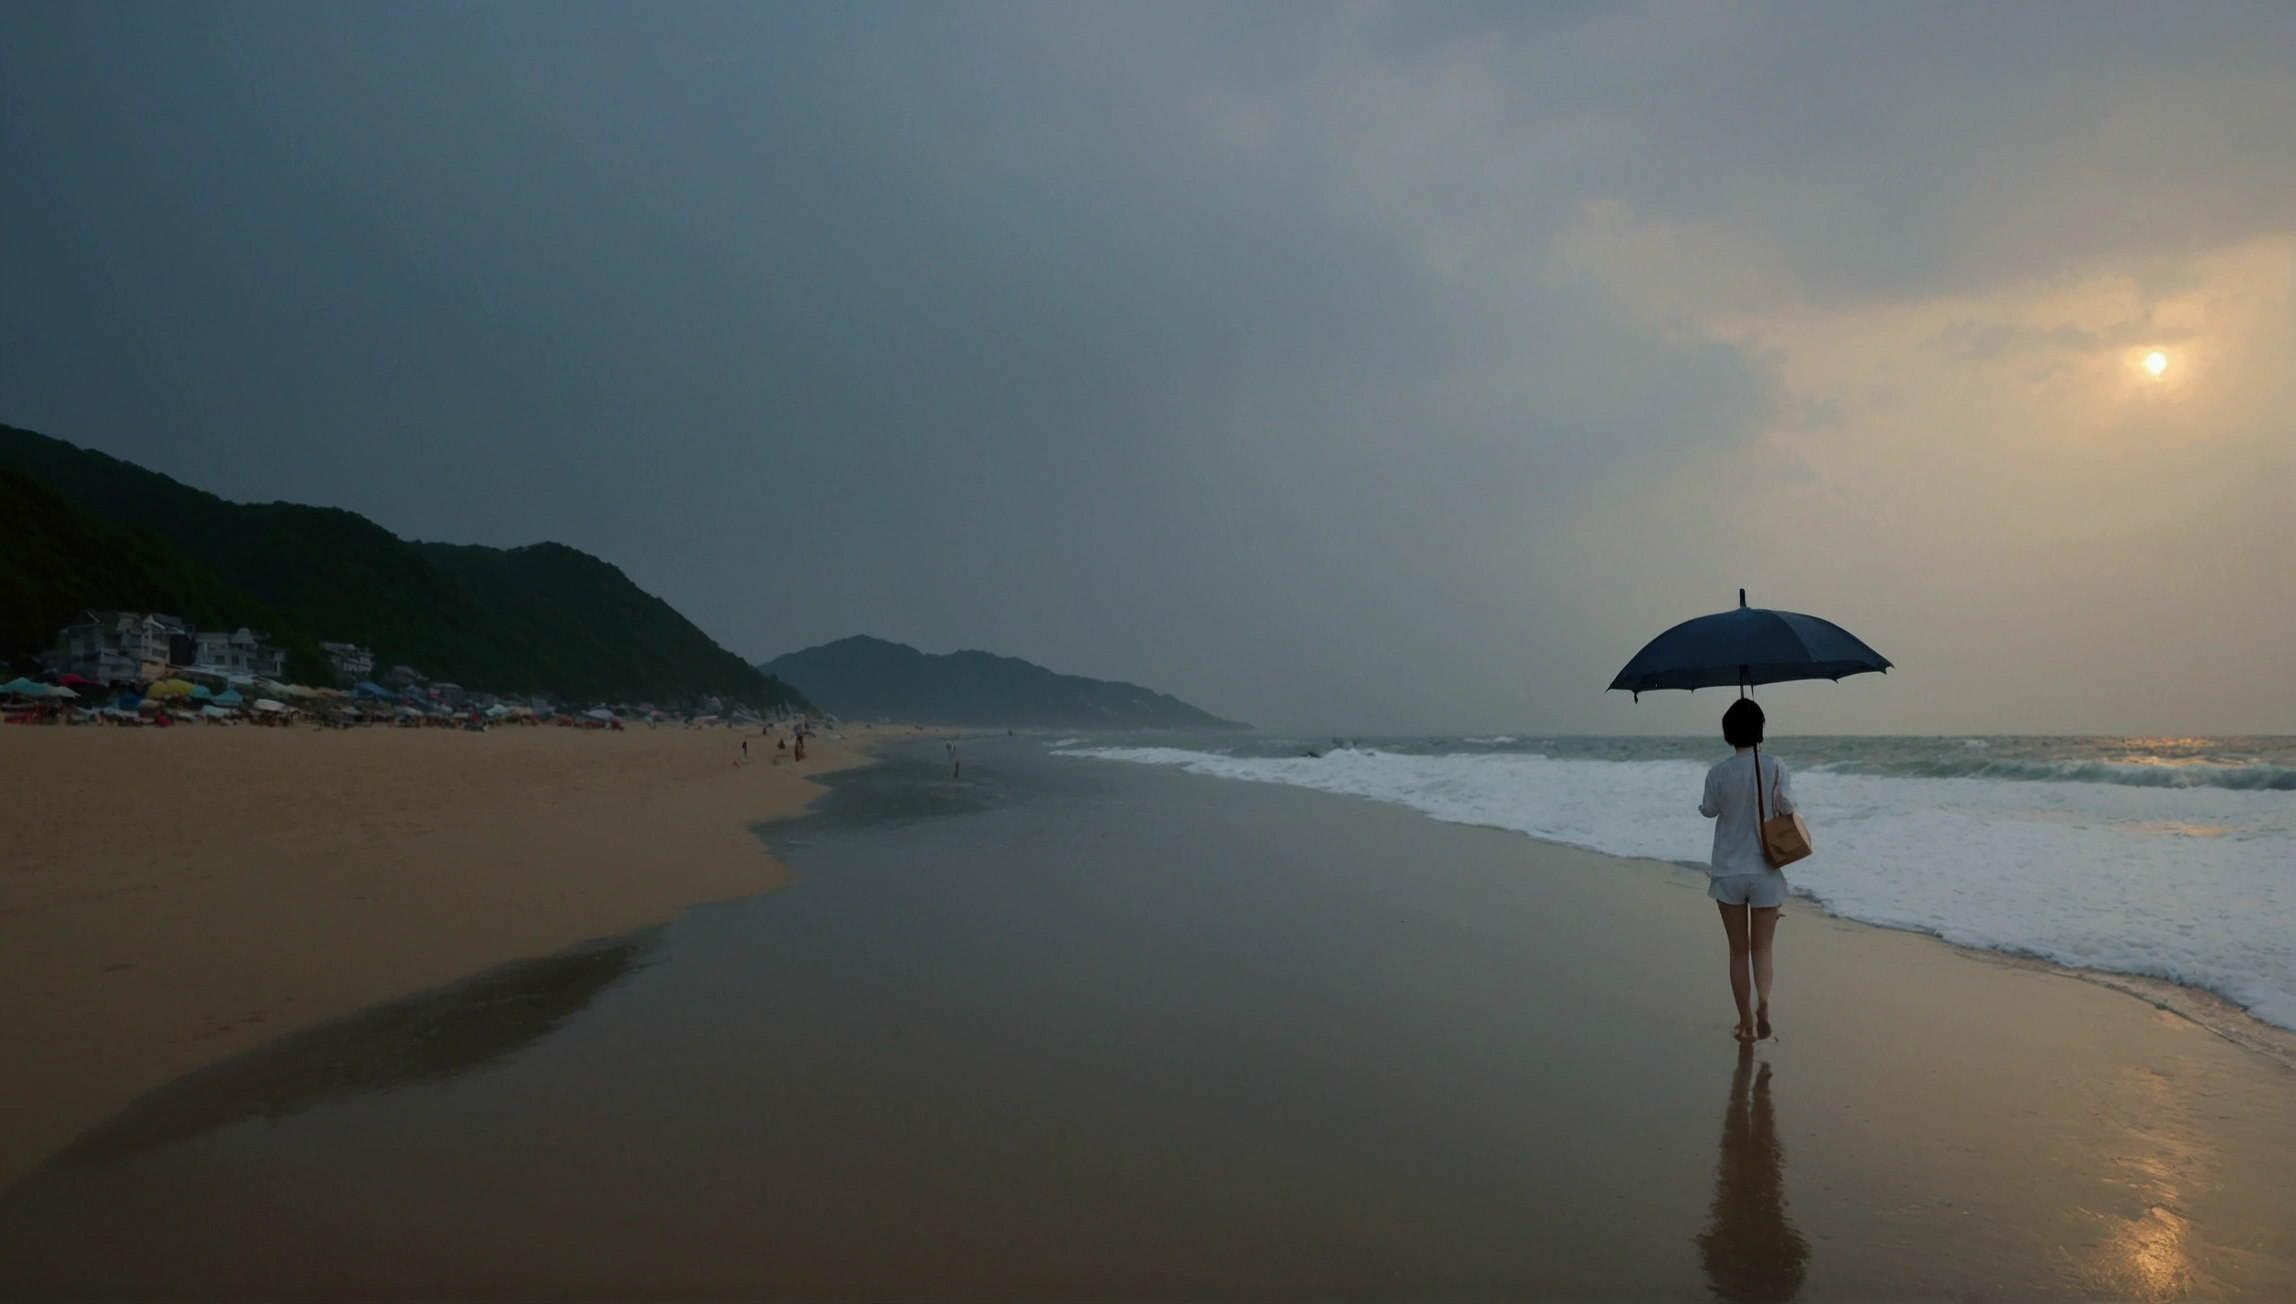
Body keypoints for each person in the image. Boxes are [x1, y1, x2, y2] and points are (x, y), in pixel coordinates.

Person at [1699, 698, 1795, 1043]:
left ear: (1728, 734)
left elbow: (1709, 810)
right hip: (1765, 870)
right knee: (1763, 949)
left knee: (1738, 951)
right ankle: (1764, 1002)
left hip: (1728, 871)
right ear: (1761, 731)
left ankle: (1745, 1023)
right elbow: (1787, 807)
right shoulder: (1776, 767)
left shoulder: (1718, 772)